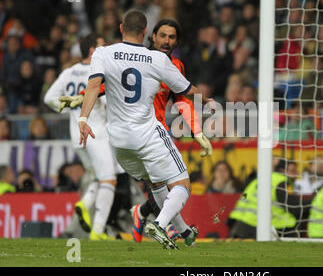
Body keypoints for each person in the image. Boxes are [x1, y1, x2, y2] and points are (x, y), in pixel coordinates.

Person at [61, 19, 213, 244]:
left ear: (177, 41)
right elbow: (187, 94)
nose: (167, 41)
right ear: (150, 35)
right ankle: (158, 224)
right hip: (151, 133)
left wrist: (197, 132)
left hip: (128, 137)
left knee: (157, 185)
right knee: (179, 184)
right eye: (163, 36)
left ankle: (179, 230)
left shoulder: (166, 63)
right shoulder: (155, 60)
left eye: (172, 37)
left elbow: (181, 100)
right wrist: (207, 102)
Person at [44, 34, 123, 241]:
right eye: (102, 46)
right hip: (95, 132)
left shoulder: (69, 72)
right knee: (109, 179)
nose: (106, 50)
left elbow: (49, 98)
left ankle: (85, 203)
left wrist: (70, 105)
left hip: (76, 135)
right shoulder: (97, 72)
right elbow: (106, 104)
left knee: (99, 176)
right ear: (92, 51)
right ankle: (97, 231)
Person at [228, 159, 305, 239]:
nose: (296, 174)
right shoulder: (282, 182)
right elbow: (293, 207)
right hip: (263, 227)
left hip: (241, 224)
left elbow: (244, 196)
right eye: (292, 171)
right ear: (282, 170)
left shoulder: (256, 181)